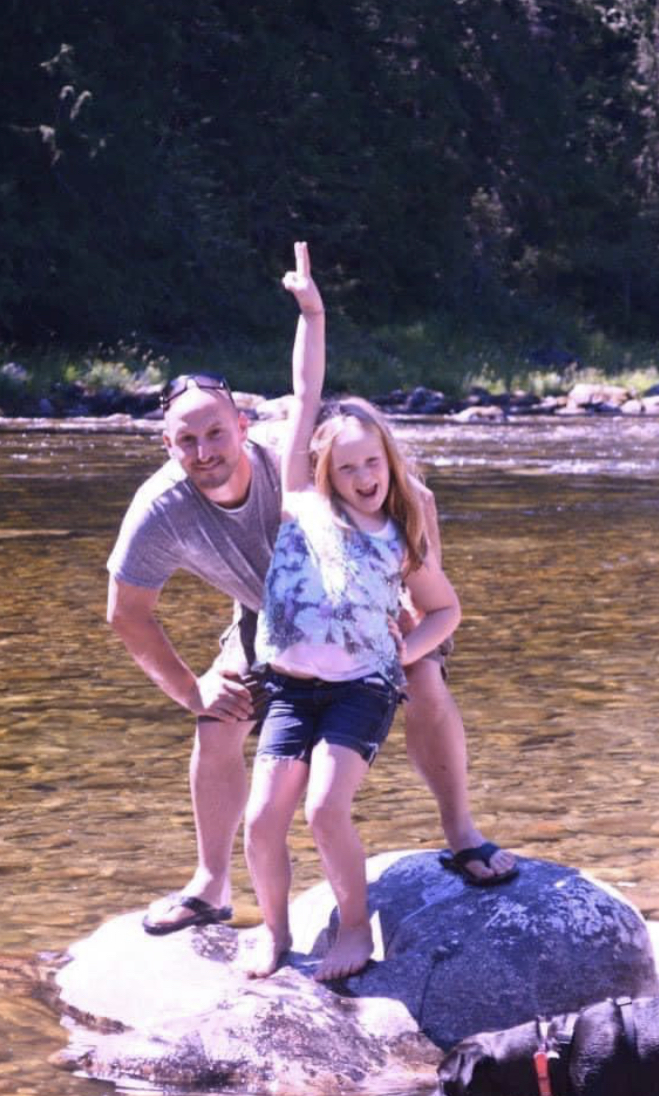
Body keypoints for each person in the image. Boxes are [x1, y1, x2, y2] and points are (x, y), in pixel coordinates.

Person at [106, 246, 516, 939]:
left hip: (368, 607)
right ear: (166, 446)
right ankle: (210, 885)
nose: (204, 451)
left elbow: (402, 486)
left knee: (425, 681)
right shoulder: (159, 508)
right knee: (220, 716)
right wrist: (188, 690)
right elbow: (127, 614)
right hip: (274, 618)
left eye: (215, 432)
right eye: (187, 441)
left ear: (240, 425)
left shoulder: (287, 457)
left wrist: (413, 600)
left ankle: (461, 832)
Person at [237, 242, 461, 981]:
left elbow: (443, 611)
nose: (363, 477)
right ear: (322, 471)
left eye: (374, 464)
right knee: (263, 815)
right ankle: (271, 932)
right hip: (292, 687)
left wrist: (399, 657)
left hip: (362, 688)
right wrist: (312, 311)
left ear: (388, 466)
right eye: (348, 467)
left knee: (325, 809)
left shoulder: (401, 533)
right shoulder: (299, 503)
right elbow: (305, 393)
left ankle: (355, 929)